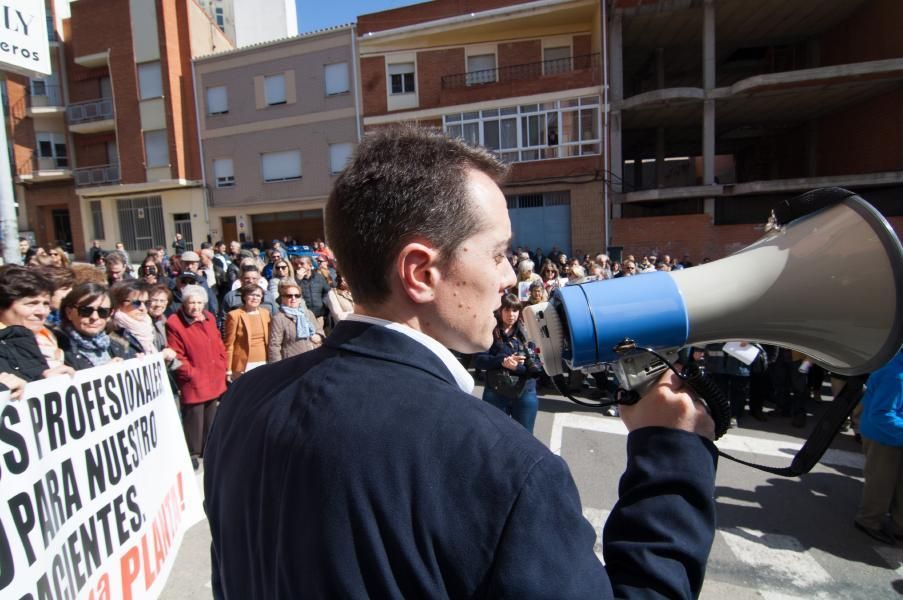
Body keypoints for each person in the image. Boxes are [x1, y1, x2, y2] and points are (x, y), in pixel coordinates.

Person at [205, 127, 716, 598]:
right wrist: (672, 455)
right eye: (498, 254)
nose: (511, 278)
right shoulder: (504, 466)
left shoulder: (243, 403)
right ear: (420, 272)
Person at [166, 284, 227, 467]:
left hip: (214, 374)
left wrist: (223, 364)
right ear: (184, 303)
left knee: (211, 416)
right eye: (192, 302)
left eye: (199, 302)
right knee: (194, 418)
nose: (196, 307)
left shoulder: (208, 317)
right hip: (194, 378)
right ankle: (193, 453)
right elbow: (177, 354)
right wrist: (191, 374)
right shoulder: (175, 323)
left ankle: (209, 449)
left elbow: (217, 341)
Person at [854, 350, 903, 545]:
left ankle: (899, 526)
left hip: (893, 436)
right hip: (882, 438)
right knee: (880, 484)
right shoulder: (894, 374)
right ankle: (868, 521)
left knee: (897, 484)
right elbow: (881, 415)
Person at [474, 293, 541, 433]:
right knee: (493, 435)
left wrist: (518, 368)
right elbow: (479, 360)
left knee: (525, 438)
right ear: (500, 310)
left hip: (524, 392)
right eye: (507, 310)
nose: (511, 314)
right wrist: (502, 361)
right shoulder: (489, 331)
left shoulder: (528, 332)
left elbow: (537, 368)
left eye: (515, 310)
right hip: (496, 391)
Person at [0, 266, 73, 390]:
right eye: (31, 304)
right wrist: (42, 384)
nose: (42, 312)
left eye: (46, 304)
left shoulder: (58, 338)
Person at [56, 283, 137, 369]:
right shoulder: (56, 350)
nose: (94, 317)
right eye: (86, 311)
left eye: (102, 312)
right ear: (69, 312)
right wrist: (103, 371)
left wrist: (137, 362)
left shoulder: (118, 346)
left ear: (110, 314)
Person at [223, 284, 272, 381]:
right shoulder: (234, 315)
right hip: (243, 365)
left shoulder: (266, 313)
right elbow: (229, 344)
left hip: (264, 361)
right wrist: (228, 369)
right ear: (244, 297)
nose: (255, 298)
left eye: (258, 295)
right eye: (251, 295)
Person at [267, 281, 323, 363]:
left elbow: (319, 330)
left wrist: (319, 336)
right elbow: (274, 346)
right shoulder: (279, 318)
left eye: (297, 296)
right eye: (289, 296)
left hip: (314, 358)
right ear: (283, 298)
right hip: (293, 362)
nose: (293, 298)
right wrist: (277, 367)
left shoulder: (308, 313)